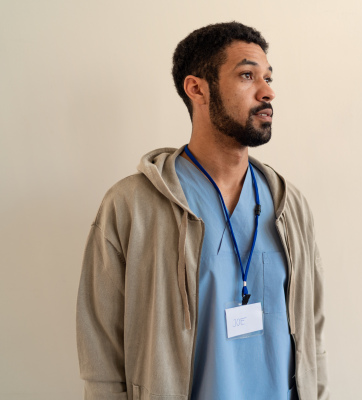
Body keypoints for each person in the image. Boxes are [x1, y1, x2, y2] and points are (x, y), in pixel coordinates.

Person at [76, 22, 328, 400]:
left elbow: (314, 330)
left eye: (268, 77)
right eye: (247, 75)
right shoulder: (131, 207)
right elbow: (101, 350)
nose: (268, 91)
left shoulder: (289, 206)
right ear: (197, 89)